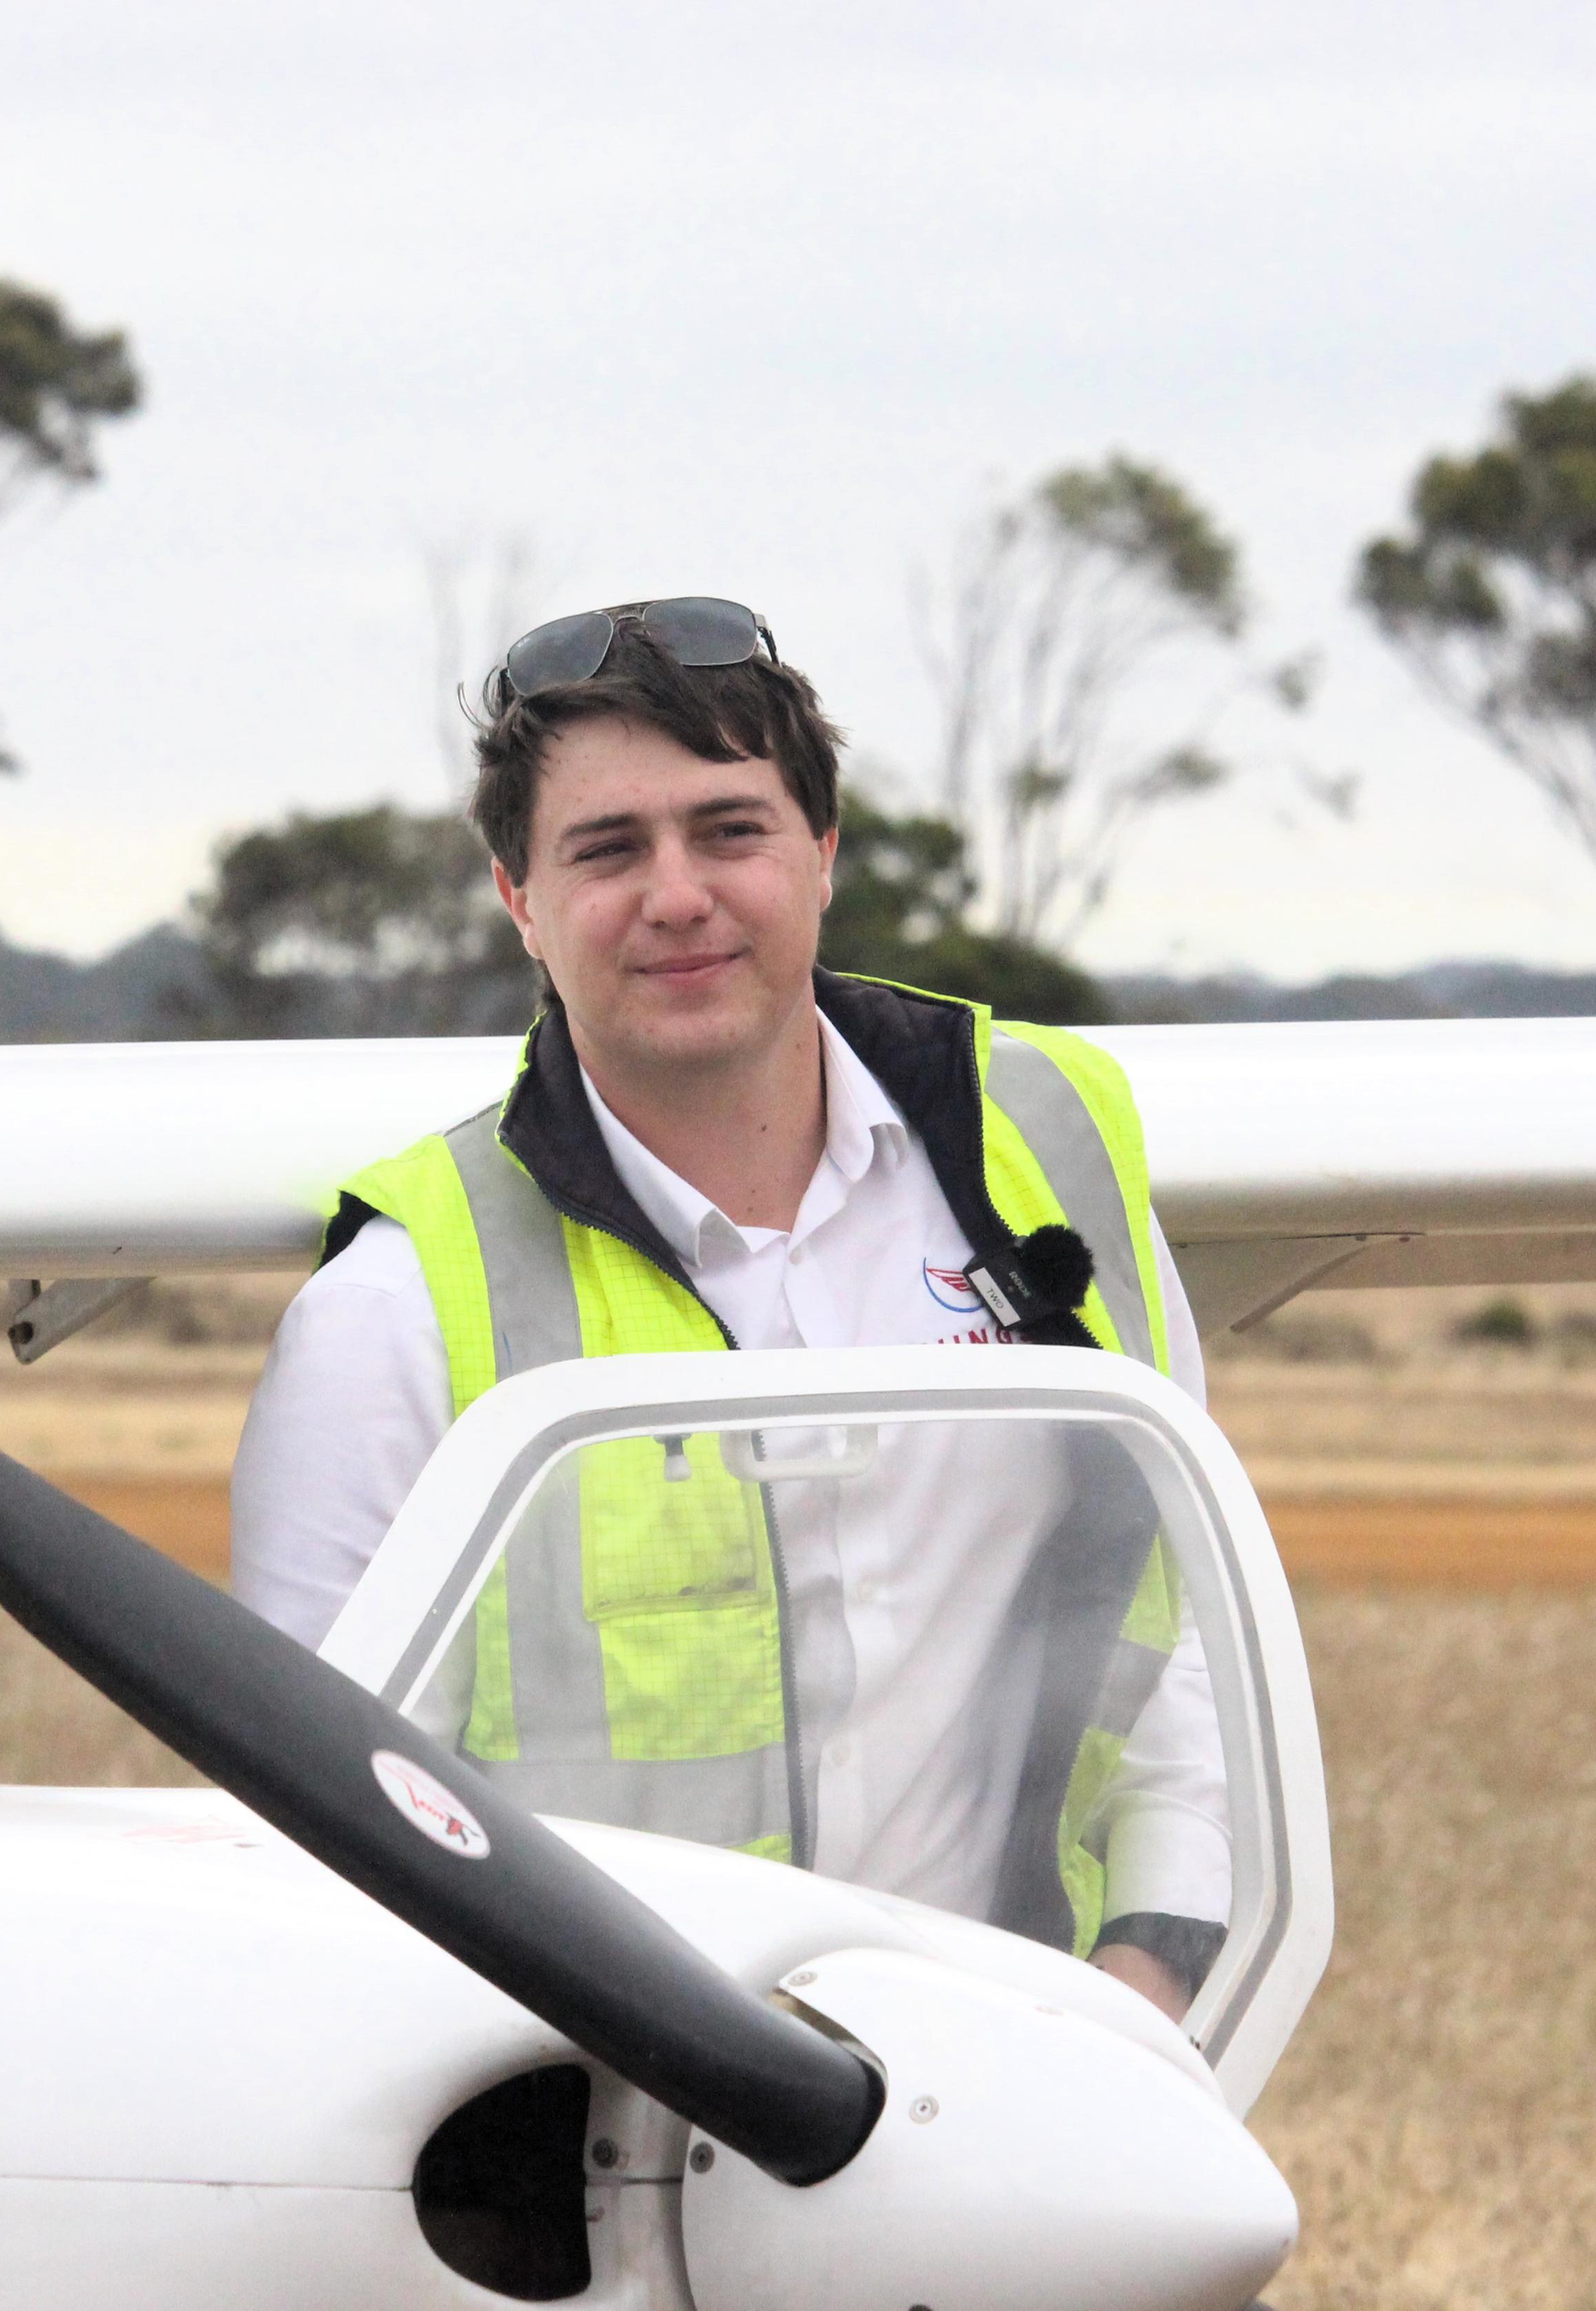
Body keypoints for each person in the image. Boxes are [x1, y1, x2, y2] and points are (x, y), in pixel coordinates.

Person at [229, 596, 1228, 2018]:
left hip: (1017, 2088)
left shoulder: (1052, 1154)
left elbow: (1180, 1637)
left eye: (730, 829)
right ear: (518, 897)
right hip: (580, 2142)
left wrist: (1135, 2004)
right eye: (607, 847)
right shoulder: (393, 1308)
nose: (677, 893)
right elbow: (320, 1829)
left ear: (821, 852)